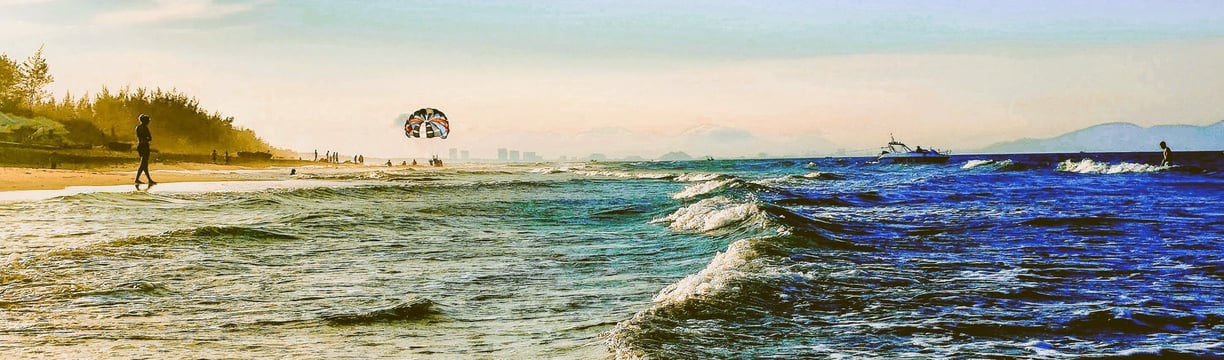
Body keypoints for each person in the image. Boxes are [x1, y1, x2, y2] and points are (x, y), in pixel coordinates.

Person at [134, 114, 156, 184]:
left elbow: (139, 137)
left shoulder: (138, 128)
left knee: (144, 164)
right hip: (145, 146)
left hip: (140, 146)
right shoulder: (145, 128)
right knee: (143, 164)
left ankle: (149, 179)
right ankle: (137, 179)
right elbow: (150, 138)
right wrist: (146, 139)